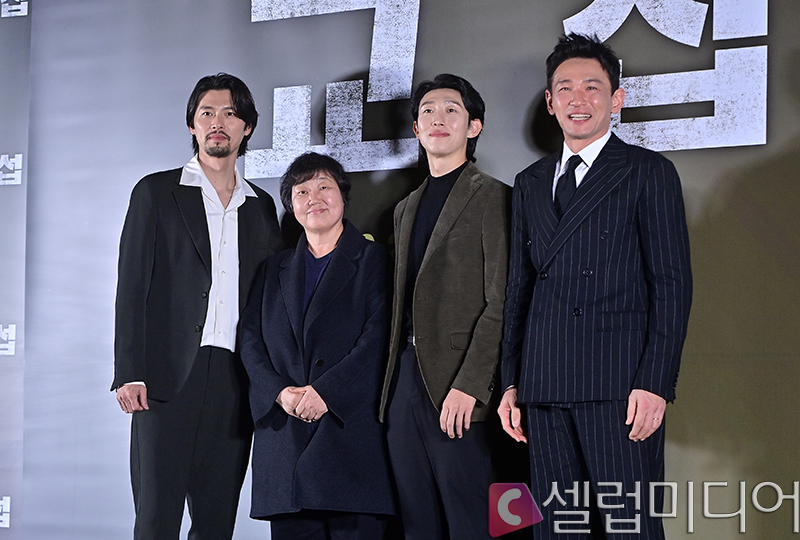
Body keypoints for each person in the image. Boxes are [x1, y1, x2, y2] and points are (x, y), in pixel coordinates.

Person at [498, 34, 693, 539]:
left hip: (618, 384)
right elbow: (519, 289)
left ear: (616, 98)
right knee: (557, 528)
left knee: (629, 527)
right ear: (550, 101)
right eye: (565, 88)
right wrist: (512, 382)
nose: (577, 99)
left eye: (592, 86)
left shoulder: (648, 172)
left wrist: (655, 382)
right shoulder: (529, 182)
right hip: (543, 381)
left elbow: (671, 285)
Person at [112, 73, 282, 540]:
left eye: (230, 113)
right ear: (192, 124)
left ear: (247, 127)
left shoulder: (261, 207)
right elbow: (132, 287)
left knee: (216, 523)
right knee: (156, 520)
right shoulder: (156, 192)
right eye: (207, 113)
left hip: (235, 381)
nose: (217, 122)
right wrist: (129, 371)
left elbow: (269, 301)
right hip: (165, 379)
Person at [379, 74, 510, 539]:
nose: (439, 118)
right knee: (418, 525)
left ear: (473, 126)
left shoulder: (494, 196)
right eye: (428, 111)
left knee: (478, 523)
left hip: (461, 388)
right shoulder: (404, 208)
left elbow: (502, 300)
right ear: (416, 129)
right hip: (403, 386)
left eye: (452, 109)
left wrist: (471, 385)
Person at [239, 152, 395, 539]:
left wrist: (327, 393)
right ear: (291, 206)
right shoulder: (271, 270)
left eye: (324, 186)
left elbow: (378, 338)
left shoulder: (376, 260)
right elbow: (250, 342)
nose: (314, 198)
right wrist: (280, 394)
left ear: (342, 195)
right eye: (302, 191)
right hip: (286, 446)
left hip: (350, 440)